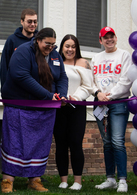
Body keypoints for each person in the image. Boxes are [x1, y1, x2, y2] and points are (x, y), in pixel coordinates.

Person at [0, 28, 68, 193]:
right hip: (20, 106)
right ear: (38, 40)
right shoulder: (23, 51)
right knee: (14, 142)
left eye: (53, 44)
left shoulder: (55, 55)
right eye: (47, 43)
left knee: (40, 144)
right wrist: (47, 95)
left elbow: (62, 77)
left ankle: (34, 179)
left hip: (45, 109)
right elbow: (21, 75)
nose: (50, 47)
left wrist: (62, 95)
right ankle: (7, 181)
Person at [91, 26, 132, 193]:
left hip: (118, 103)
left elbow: (126, 80)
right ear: (100, 41)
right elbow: (91, 80)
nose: (109, 39)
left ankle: (122, 180)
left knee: (116, 141)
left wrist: (110, 95)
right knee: (107, 142)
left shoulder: (124, 55)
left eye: (112, 36)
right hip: (100, 104)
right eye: (105, 37)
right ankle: (110, 179)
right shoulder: (96, 58)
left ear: (116, 38)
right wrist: (98, 93)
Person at [54, 34, 93, 191]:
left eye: (73, 46)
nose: (70, 49)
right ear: (62, 47)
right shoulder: (55, 62)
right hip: (58, 108)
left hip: (77, 107)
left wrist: (74, 98)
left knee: (76, 143)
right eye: (67, 46)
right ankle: (63, 180)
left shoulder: (83, 63)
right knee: (60, 144)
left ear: (77, 48)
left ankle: (77, 181)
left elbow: (88, 86)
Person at [0, 8, 38, 90]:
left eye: (35, 21)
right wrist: (4, 89)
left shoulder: (39, 41)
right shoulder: (12, 40)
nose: (33, 24)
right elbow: (4, 66)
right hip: (15, 90)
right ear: (22, 21)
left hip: (36, 90)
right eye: (29, 21)